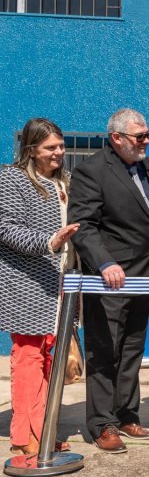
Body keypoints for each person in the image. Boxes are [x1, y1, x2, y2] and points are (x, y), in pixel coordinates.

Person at [69, 108, 149, 453]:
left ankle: (126, 414)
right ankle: (102, 423)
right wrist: (105, 261)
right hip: (109, 279)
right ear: (117, 138)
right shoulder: (92, 171)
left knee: (133, 348)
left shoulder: (147, 167)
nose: (146, 142)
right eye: (140, 137)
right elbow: (83, 225)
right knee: (104, 349)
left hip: (145, 276)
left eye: (148, 135)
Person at [0, 118, 79, 455]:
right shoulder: (13, 178)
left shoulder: (64, 183)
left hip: (60, 287)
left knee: (52, 361)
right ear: (30, 150)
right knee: (29, 359)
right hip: (27, 286)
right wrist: (50, 241)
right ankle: (26, 437)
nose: (58, 152)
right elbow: (6, 229)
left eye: (60, 146)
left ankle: (43, 431)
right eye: (50, 147)